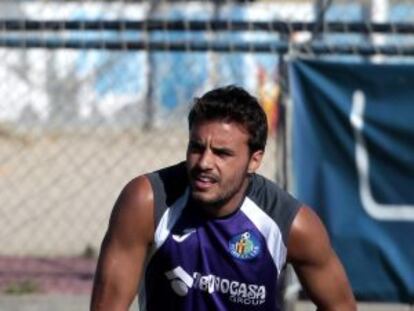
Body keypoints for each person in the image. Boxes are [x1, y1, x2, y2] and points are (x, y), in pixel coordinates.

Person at [91, 85, 356, 311]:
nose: (204, 162)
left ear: (255, 160)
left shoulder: (292, 225)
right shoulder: (146, 202)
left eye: (222, 153)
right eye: (196, 148)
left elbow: (341, 307)